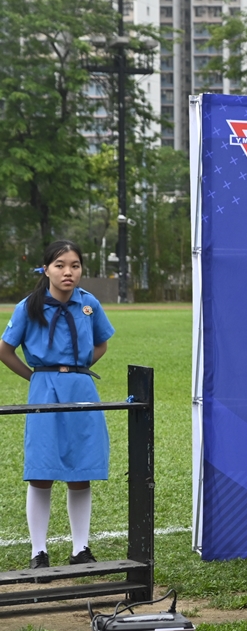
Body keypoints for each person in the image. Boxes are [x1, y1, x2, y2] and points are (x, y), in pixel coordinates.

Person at [0, 241, 114, 569]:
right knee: (42, 469)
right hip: (44, 389)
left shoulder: (89, 303)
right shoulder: (29, 306)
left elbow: (102, 343)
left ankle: (81, 549)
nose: (68, 272)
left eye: (75, 265)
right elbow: (5, 350)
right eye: (60, 265)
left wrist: (75, 369)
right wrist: (36, 377)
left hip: (82, 388)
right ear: (46, 269)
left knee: (81, 468)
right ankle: (39, 552)